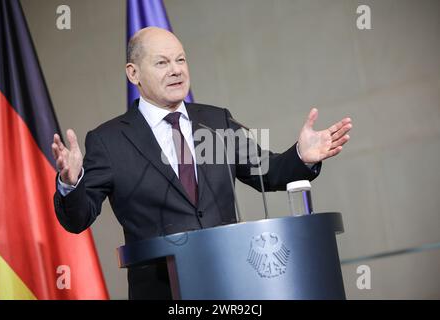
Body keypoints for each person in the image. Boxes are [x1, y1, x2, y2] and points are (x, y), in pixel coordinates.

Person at [52, 27, 352, 299]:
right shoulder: (110, 140)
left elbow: (268, 172)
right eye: (162, 63)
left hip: (232, 286)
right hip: (163, 292)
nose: (176, 70)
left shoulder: (216, 121)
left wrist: (301, 154)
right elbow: (78, 218)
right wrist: (70, 183)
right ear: (133, 73)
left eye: (180, 60)